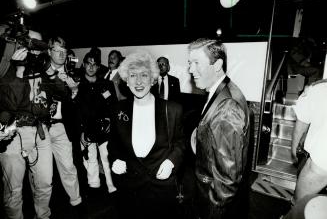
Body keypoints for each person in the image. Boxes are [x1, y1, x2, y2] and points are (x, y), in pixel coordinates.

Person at [108, 50, 185, 219]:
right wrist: (115, 159)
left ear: (152, 80)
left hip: (161, 189)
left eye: (144, 75)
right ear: (126, 81)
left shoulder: (172, 109)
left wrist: (172, 161)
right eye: (133, 75)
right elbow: (113, 144)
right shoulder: (118, 110)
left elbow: (181, 143)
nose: (139, 81)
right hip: (130, 189)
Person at [188, 38, 250, 219]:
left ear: (217, 65)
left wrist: (212, 213)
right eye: (190, 63)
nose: (191, 70)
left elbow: (227, 180)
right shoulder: (221, 91)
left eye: (196, 63)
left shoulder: (227, 107)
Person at [0, 30, 53, 219]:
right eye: (32, 45)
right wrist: (19, 70)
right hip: (15, 133)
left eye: (39, 46)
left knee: (45, 183)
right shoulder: (7, 68)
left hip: (40, 132)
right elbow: (10, 104)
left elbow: (54, 95)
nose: (36, 50)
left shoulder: (43, 67)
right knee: (13, 190)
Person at [40, 36, 85, 217]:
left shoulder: (73, 74)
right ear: (49, 52)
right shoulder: (39, 73)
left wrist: (74, 91)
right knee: (43, 175)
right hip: (41, 127)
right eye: (57, 50)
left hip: (61, 127)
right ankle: (42, 211)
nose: (61, 54)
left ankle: (76, 202)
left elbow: (79, 106)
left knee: (68, 167)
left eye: (64, 51)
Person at [76, 51, 117, 195]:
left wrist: (110, 124)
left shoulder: (107, 84)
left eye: (95, 64)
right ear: (84, 64)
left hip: (103, 129)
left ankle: (111, 187)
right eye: (88, 63)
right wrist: (81, 131)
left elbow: (113, 107)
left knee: (106, 159)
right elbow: (75, 110)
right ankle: (94, 187)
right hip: (85, 129)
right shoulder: (77, 85)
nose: (91, 67)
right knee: (90, 159)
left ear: (99, 67)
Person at [291, 79, 327, 203]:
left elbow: (301, 124)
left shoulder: (318, 88)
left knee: (302, 206)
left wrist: (294, 152)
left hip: (315, 165)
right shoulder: (318, 88)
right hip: (312, 158)